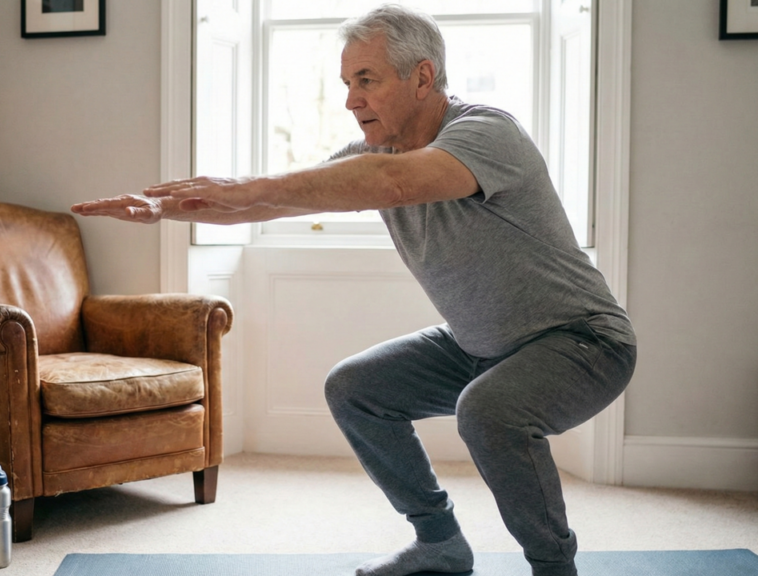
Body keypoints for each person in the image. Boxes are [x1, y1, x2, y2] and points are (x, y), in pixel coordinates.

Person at [71, 5, 636, 576]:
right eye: (346, 83)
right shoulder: (371, 157)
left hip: (582, 341)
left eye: (366, 80)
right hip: (479, 344)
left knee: (488, 413)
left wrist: (243, 186)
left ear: (421, 76)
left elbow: (394, 183)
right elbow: (275, 201)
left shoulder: (486, 132)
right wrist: (167, 208)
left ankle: (553, 567)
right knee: (356, 388)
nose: (350, 100)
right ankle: (439, 541)